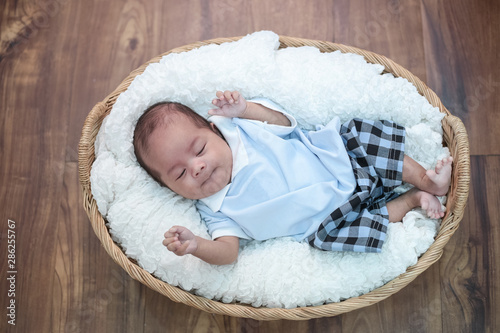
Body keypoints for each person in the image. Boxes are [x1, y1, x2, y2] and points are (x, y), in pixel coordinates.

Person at [133, 91, 452, 265]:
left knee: (356, 135)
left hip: (341, 162)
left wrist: (245, 109)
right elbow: (228, 253)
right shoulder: (214, 210)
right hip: (332, 220)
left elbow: (285, 122)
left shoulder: (239, 128)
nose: (197, 167)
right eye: (179, 173)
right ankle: (410, 199)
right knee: (332, 240)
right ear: (169, 188)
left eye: (199, 149)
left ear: (215, 129)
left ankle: (426, 181)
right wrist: (196, 245)